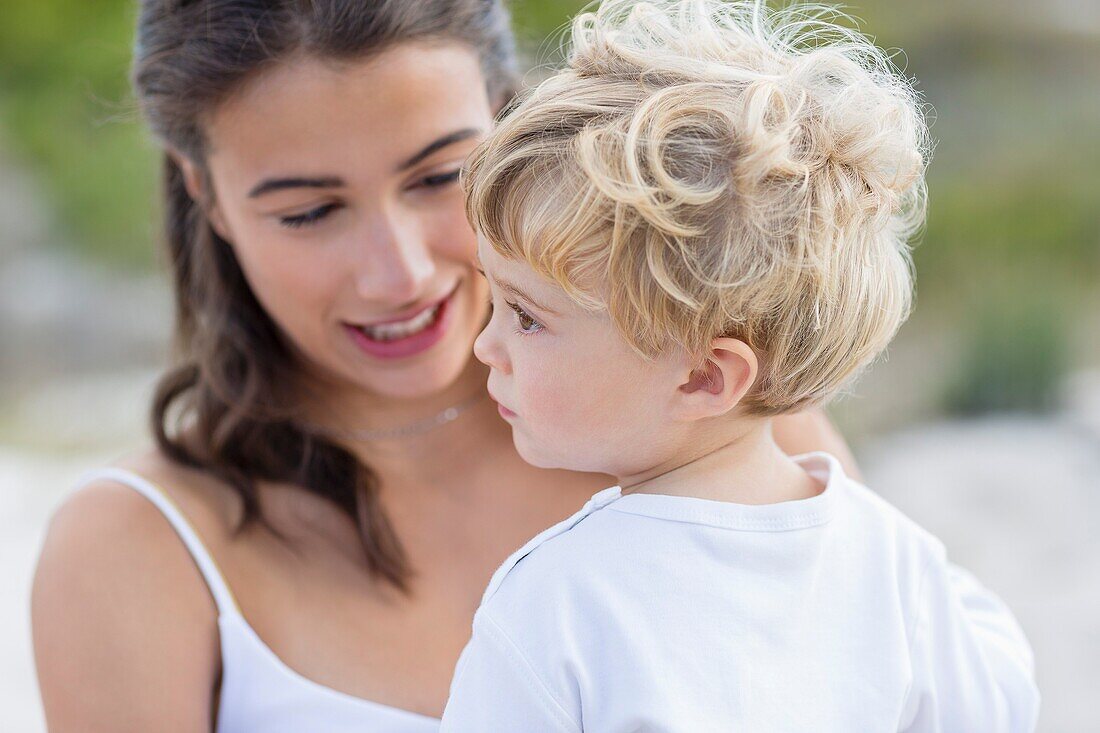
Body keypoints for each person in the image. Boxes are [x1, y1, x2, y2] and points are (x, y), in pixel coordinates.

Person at [29, 1, 857, 731]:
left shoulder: (717, 413)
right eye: (309, 212)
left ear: (509, 124)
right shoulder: (138, 550)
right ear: (202, 192)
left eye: (439, 177)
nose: (400, 274)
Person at [439, 1, 1040, 730]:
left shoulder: (554, 606)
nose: (484, 345)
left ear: (703, 378)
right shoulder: (898, 563)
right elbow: (1003, 699)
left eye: (527, 316)